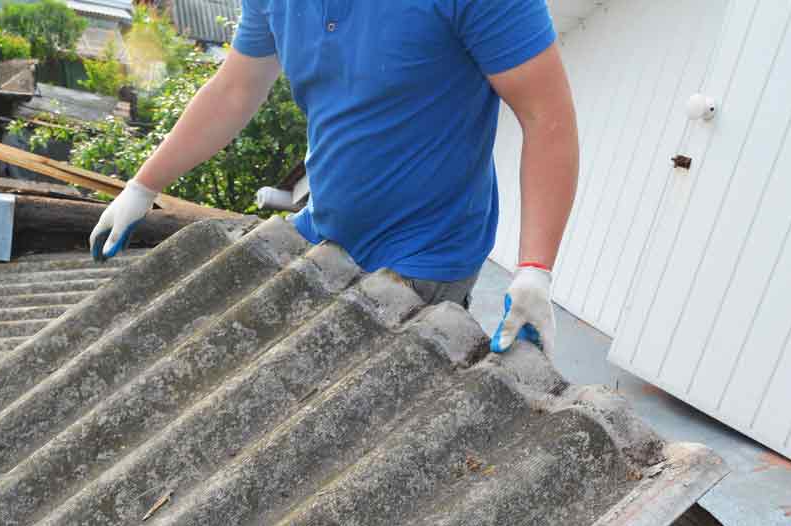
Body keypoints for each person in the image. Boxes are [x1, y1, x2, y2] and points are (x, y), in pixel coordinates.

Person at [88, 0, 578, 356]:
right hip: (326, 228)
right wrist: (143, 186)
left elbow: (547, 119)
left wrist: (535, 268)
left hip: (425, 253)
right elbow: (235, 89)